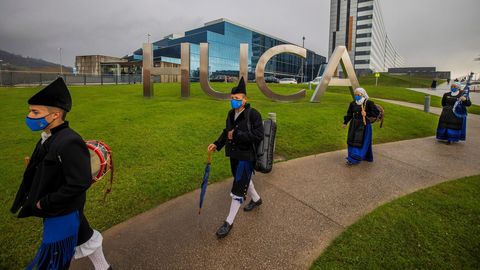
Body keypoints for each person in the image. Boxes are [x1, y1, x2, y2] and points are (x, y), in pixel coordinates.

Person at [10, 77, 112, 270]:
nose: (29, 116)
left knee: (54, 259)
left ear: (55, 115)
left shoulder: (69, 141)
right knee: (85, 237)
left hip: (61, 210)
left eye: (35, 112)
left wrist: (45, 202)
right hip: (60, 209)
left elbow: (79, 183)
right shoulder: (48, 137)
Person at [207, 77, 264, 238]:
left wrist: (238, 134)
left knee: (238, 188)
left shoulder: (253, 114)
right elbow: (227, 132)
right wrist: (217, 144)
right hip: (234, 155)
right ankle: (256, 199)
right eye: (232, 99)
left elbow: (259, 135)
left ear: (245, 100)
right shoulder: (231, 114)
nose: (234, 102)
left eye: (237, 99)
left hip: (247, 156)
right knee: (244, 180)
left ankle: (228, 222)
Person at [342, 88, 380, 166]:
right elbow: (349, 114)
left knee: (362, 141)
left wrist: (366, 113)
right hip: (354, 124)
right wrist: (345, 122)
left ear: (362, 94)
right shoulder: (353, 103)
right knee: (352, 140)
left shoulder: (368, 103)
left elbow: (376, 112)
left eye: (358, 94)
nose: (356, 96)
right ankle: (357, 156)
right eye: (355, 94)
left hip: (364, 125)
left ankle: (354, 159)